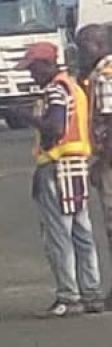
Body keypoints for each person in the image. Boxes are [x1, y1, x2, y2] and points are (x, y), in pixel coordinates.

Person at [14, 41, 102, 317]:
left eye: (33, 68)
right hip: (76, 165)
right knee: (82, 233)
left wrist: (25, 117)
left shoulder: (54, 90)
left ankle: (68, 295)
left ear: (47, 64)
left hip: (57, 167)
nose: (31, 74)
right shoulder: (74, 86)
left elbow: (54, 127)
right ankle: (92, 292)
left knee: (59, 235)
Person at [75, 25, 112, 310]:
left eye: (83, 47)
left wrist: (102, 162)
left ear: (98, 44)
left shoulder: (104, 75)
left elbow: (111, 122)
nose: (79, 53)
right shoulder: (94, 75)